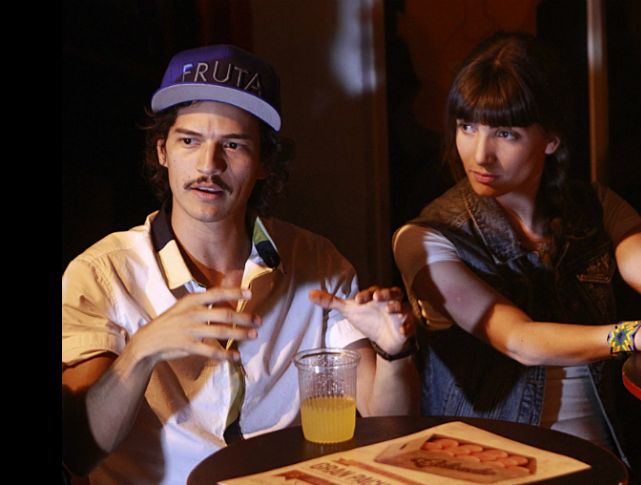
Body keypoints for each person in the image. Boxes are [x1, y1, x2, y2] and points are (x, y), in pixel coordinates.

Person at [62, 44, 419, 484]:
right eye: (189, 140)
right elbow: (78, 450)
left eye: (232, 145)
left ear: (265, 162)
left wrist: (393, 352)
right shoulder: (102, 274)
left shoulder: (318, 262)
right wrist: (142, 351)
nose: (209, 165)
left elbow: (388, 429)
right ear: (162, 151)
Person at [391, 31, 641, 466]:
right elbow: (518, 338)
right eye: (467, 127)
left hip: (595, 456)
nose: (480, 154)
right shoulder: (427, 236)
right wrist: (633, 335)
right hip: (483, 464)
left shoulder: (596, 208)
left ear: (551, 139)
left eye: (505, 133)